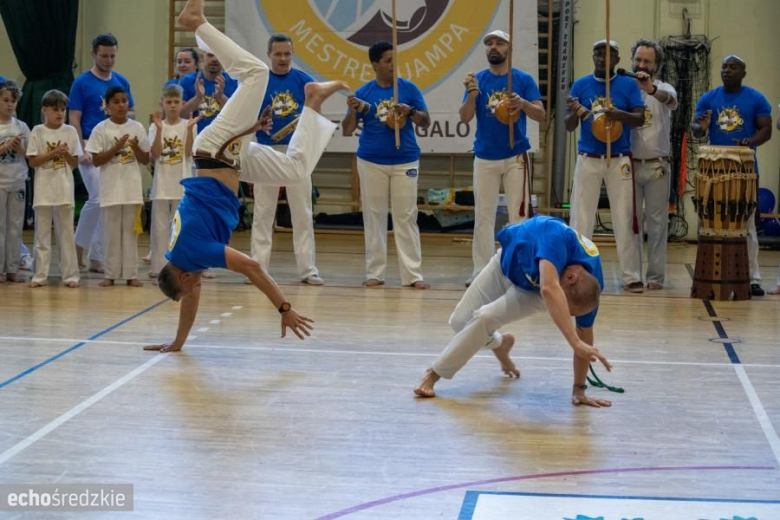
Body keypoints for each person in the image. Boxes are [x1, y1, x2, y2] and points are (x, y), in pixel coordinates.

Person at [144, 0, 347, 353]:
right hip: (229, 159)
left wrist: (284, 309)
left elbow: (252, 267)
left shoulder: (193, 251)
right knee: (295, 171)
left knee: (255, 73)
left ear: (184, 276)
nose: (194, 291)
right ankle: (312, 101)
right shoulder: (181, 259)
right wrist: (178, 342)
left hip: (216, 152)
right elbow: (191, 294)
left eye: (189, 288)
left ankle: (197, 22)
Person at [414, 216, 613, 408]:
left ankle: (433, 373)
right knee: (459, 322)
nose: (562, 313)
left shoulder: (589, 291)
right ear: (570, 277)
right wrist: (574, 342)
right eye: (564, 305)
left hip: (533, 291)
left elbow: (585, 335)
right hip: (506, 266)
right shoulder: (553, 235)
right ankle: (500, 343)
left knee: (485, 317)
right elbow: (550, 289)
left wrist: (579, 389)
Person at [342, 41, 431, 289]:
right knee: (374, 216)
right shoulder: (364, 93)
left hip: (405, 160)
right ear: (375, 65)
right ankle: (375, 273)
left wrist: (410, 112)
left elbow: (425, 121)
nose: (394, 65)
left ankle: (413, 275)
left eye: (395, 60)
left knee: (406, 216)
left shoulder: (408, 89)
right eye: (388, 61)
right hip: (371, 161)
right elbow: (347, 130)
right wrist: (352, 110)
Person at [459, 29, 545, 287]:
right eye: (489, 43)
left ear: (509, 48)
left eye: (499, 43)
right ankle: (481, 272)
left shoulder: (522, 79)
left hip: (515, 155)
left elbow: (540, 114)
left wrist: (523, 104)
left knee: (519, 216)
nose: (493, 47)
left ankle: (519, 270)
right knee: (483, 215)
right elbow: (464, 117)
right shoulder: (478, 80)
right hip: (485, 156)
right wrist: (472, 95)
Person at [566, 39, 645, 293]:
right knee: (581, 217)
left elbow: (640, 118)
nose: (602, 58)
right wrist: (575, 111)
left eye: (608, 55)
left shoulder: (628, 85)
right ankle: (577, 271)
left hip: (619, 158)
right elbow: (568, 125)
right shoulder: (581, 85)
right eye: (598, 54)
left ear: (617, 60)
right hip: (588, 158)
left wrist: (618, 114)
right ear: (593, 57)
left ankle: (631, 275)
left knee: (624, 216)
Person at [692, 55, 773, 297]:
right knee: (709, 225)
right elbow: (696, 131)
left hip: (744, 170)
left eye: (733, 67)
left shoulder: (756, 98)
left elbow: (766, 130)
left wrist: (749, 141)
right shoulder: (709, 98)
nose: (726, 70)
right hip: (714, 172)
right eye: (724, 67)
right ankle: (709, 277)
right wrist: (701, 127)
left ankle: (753, 278)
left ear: (743, 73)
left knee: (747, 226)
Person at [249, 33, 324, 286]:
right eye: (278, 54)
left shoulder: (305, 81)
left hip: (297, 153)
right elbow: (248, 115)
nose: (283, 58)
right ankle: (258, 268)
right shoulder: (259, 82)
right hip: (266, 151)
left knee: (302, 211)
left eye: (287, 54)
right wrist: (258, 124)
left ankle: (308, 269)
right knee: (263, 211)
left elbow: (316, 116)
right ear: (268, 54)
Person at [69, 33, 135, 273]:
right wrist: (80, 149)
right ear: (93, 54)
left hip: (115, 147)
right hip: (90, 145)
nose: (108, 60)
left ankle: (96, 256)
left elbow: (132, 111)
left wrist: (118, 114)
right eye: (104, 56)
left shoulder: (121, 81)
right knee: (97, 198)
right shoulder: (82, 83)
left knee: (106, 202)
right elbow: (74, 118)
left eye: (112, 56)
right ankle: (77, 248)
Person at [85, 86, 149, 287]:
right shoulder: (101, 129)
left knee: (130, 234)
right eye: (116, 102)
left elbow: (145, 159)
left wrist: (135, 147)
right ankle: (110, 274)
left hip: (131, 189)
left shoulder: (137, 127)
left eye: (124, 101)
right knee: (111, 235)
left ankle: (131, 274)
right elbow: (96, 161)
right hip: (110, 188)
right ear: (107, 106)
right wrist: (117, 147)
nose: (121, 105)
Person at [629, 39, 678, 290]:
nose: (641, 65)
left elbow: (671, 101)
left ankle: (655, 277)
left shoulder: (664, 87)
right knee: (632, 223)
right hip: (629, 165)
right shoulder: (625, 87)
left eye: (647, 61)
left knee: (658, 224)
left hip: (658, 166)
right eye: (638, 59)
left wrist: (650, 89)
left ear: (656, 65)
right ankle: (633, 274)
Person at [27, 90, 83, 288]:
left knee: (66, 235)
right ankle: (39, 275)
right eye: (55, 109)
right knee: (42, 235)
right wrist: (53, 153)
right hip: (43, 190)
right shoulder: (37, 131)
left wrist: (65, 154)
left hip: (64, 190)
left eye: (63, 109)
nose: (60, 113)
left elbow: (74, 163)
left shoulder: (70, 131)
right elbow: (33, 161)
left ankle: (70, 275)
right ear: (45, 110)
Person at [148, 84, 199, 279]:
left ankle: (180, 267)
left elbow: (188, 153)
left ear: (182, 103)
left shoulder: (189, 124)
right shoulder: (155, 126)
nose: (172, 106)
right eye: (168, 102)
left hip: (182, 184)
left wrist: (190, 130)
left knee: (181, 229)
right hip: (161, 184)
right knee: (159, 230)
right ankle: (158, 268)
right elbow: (155, 154)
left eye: (176, 102)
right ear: (162, 103)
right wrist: (159, 130)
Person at [0, 79, 30, 283]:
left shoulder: (22, 126)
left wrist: (19, 148)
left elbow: (31, 155)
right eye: (5, 100)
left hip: (18, 181)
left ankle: (12, 268)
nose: (10, 104)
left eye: (13, 101)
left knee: (15, 226)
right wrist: (6, 146)